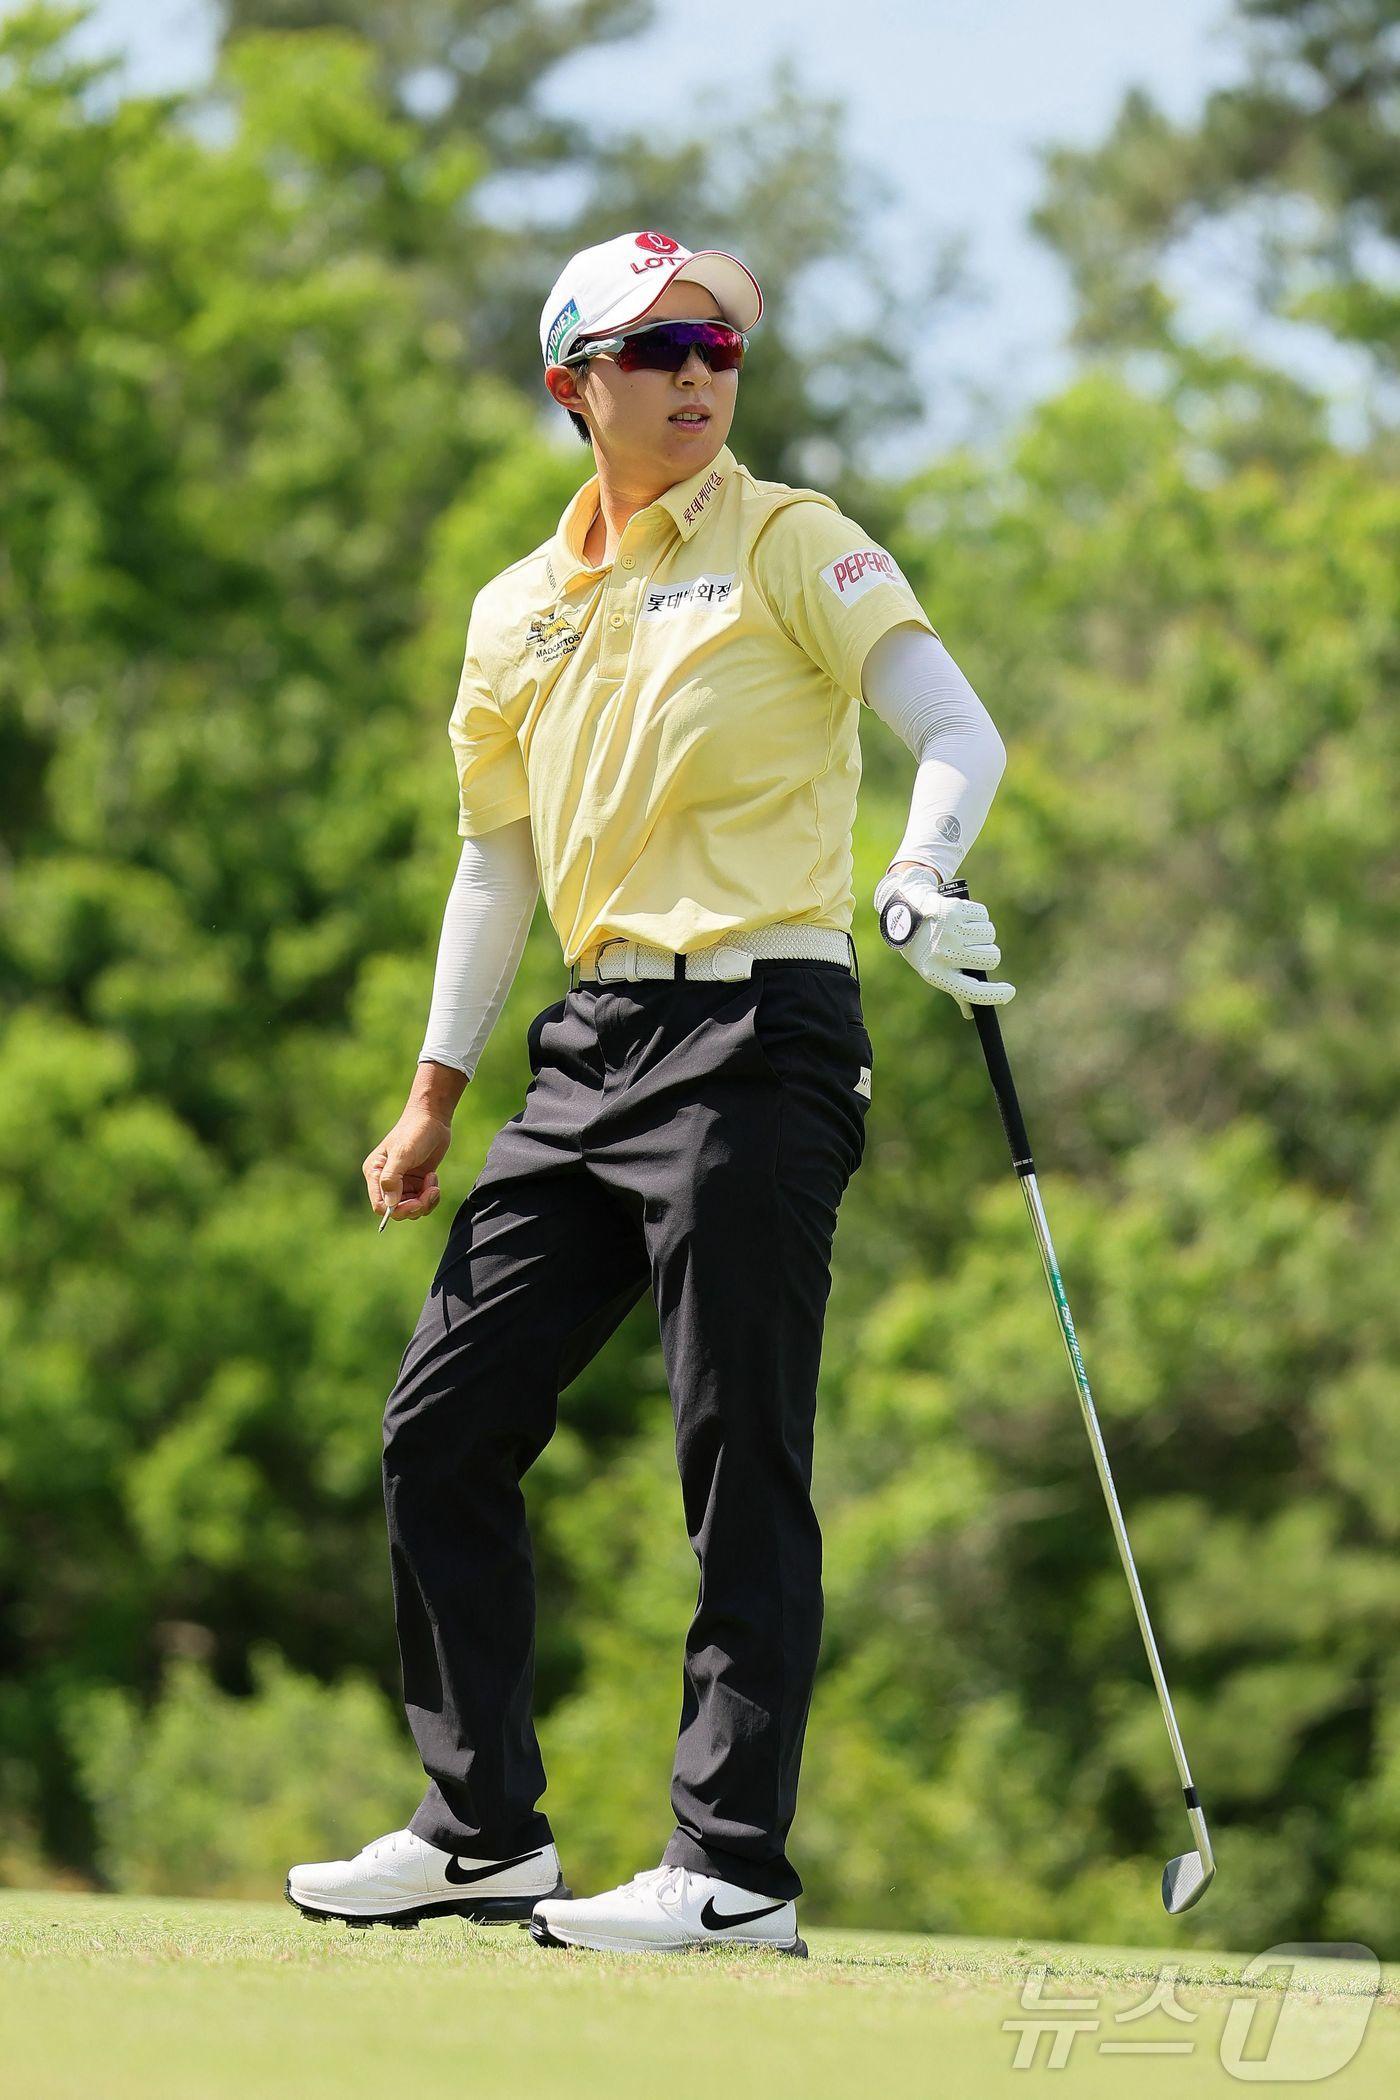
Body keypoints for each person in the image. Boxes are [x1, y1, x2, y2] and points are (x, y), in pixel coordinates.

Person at [285, 231, 1014, 1957]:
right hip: (588, 1051)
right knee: (439, 1431)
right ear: (575, 388)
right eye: (657, 346)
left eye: (721, 345)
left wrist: (918, 876)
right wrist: (432, 1091)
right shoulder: (516, 609)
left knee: (733, 1460)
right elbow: (497, 867)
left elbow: (958, 731)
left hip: (761, 1040)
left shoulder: (792, 538)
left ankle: (732, 1865)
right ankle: (480, 1831)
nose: (700, 371)